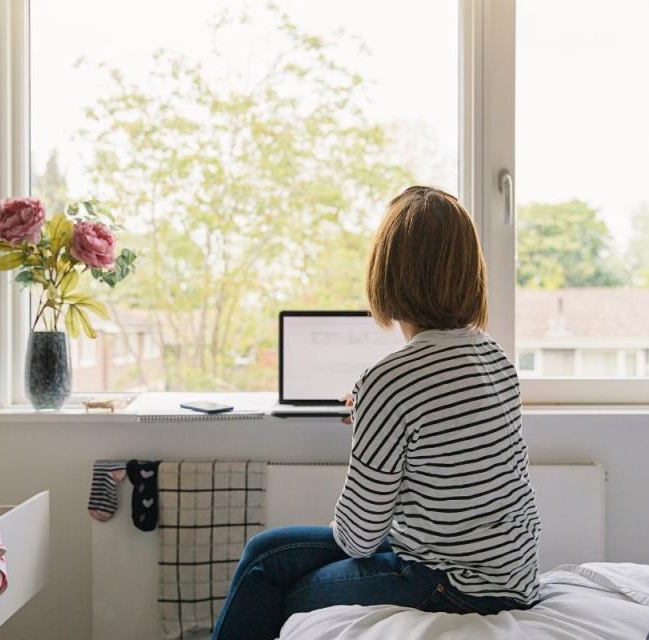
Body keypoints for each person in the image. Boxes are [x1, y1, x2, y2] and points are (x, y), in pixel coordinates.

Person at [212, 186, 541, 640]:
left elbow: (358, 538)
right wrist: (376, 415)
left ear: (390, 272)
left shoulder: (390, 380)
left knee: (273, 584)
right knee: (266, 551)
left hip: (452, 584)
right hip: (512, 574)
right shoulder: (495, 360)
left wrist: (374, 418)